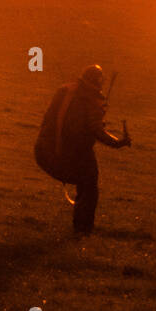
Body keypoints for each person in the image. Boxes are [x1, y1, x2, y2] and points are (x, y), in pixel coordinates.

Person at [35, 64, 131, 235]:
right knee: (89, 186)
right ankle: (82, 229)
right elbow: (96, 130)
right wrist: (119, 142)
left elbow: (49, 117)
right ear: (98, 82)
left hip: (45, 148)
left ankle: (81, 228)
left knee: (85, 183)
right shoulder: (92, 101)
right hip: (75, 152)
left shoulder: (65, 90)